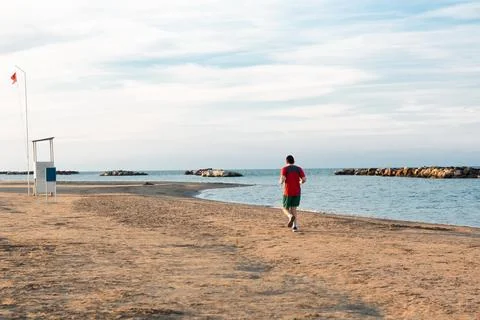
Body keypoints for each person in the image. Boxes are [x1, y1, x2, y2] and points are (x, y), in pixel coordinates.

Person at [279, 155, 306, 232]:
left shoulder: (284, 169)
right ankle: (295, 227)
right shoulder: (299, 169)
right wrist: (299, 183)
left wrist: (280, 182)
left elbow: (282, 179)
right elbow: (304, 179)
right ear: (293, 161)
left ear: (286, 161)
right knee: (293, 208)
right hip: (297, 192)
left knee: (284, 208)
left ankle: (290, 216)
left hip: (288, 191)